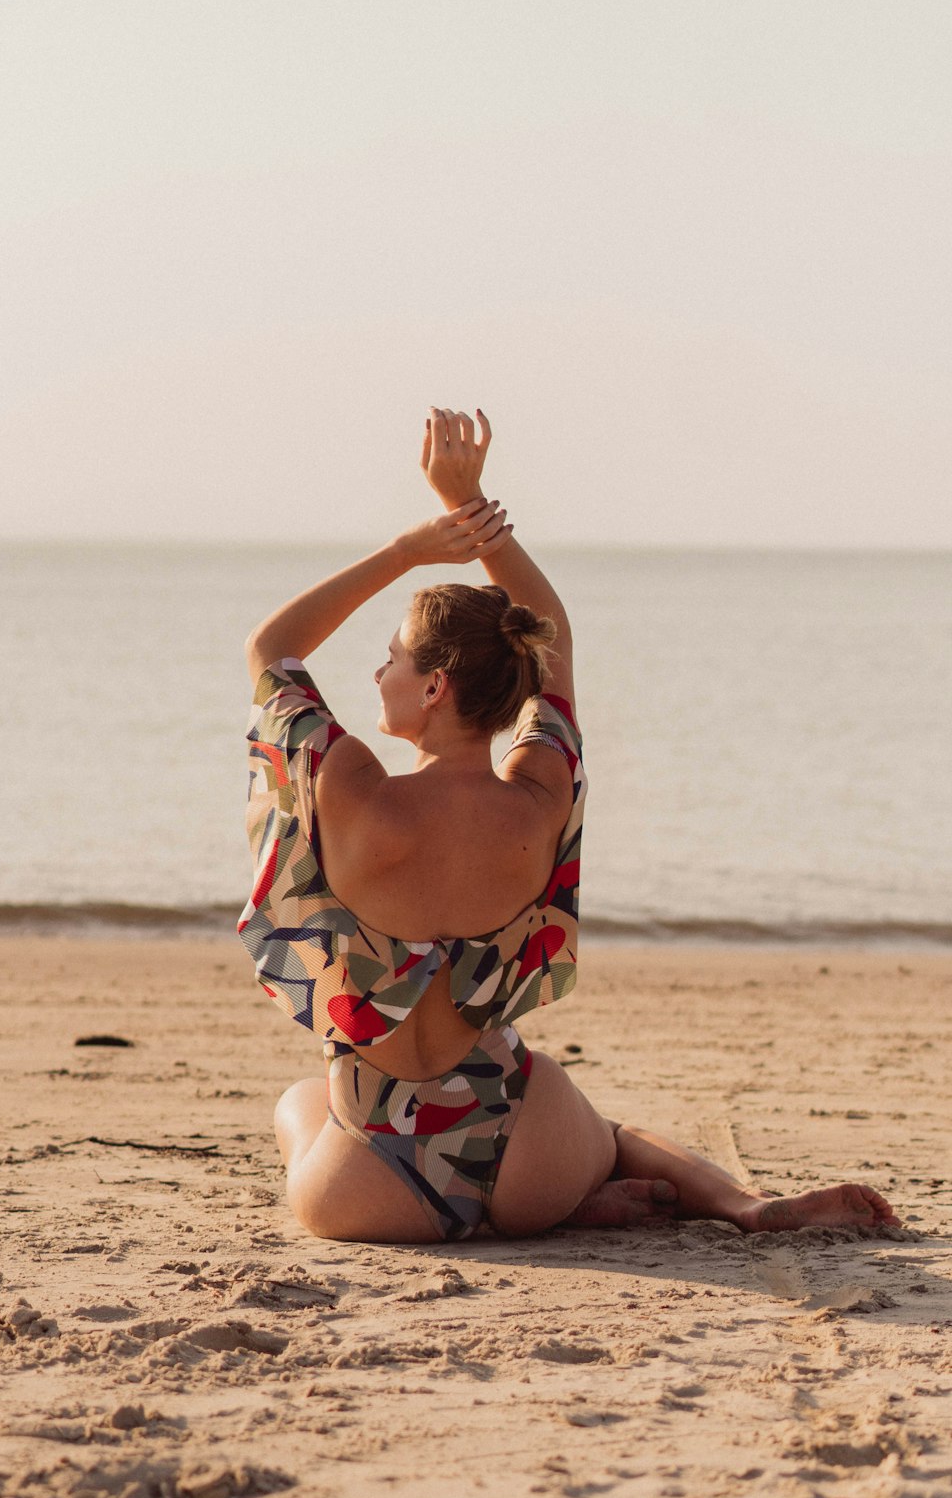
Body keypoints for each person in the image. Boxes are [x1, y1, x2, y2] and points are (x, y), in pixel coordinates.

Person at [238, 410, 898, 1245]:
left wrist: (411, 548)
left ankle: (535, 1196)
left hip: (375, 1182)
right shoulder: (538, 792)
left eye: (393, 658)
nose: (379, 671)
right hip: (526, 1156)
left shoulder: (355, 790)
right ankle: (739, 1205)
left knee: (298, 1102)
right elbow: (549, 620)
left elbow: (272, 648)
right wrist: (473, 506)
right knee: (615, 1138)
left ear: (435, 686)